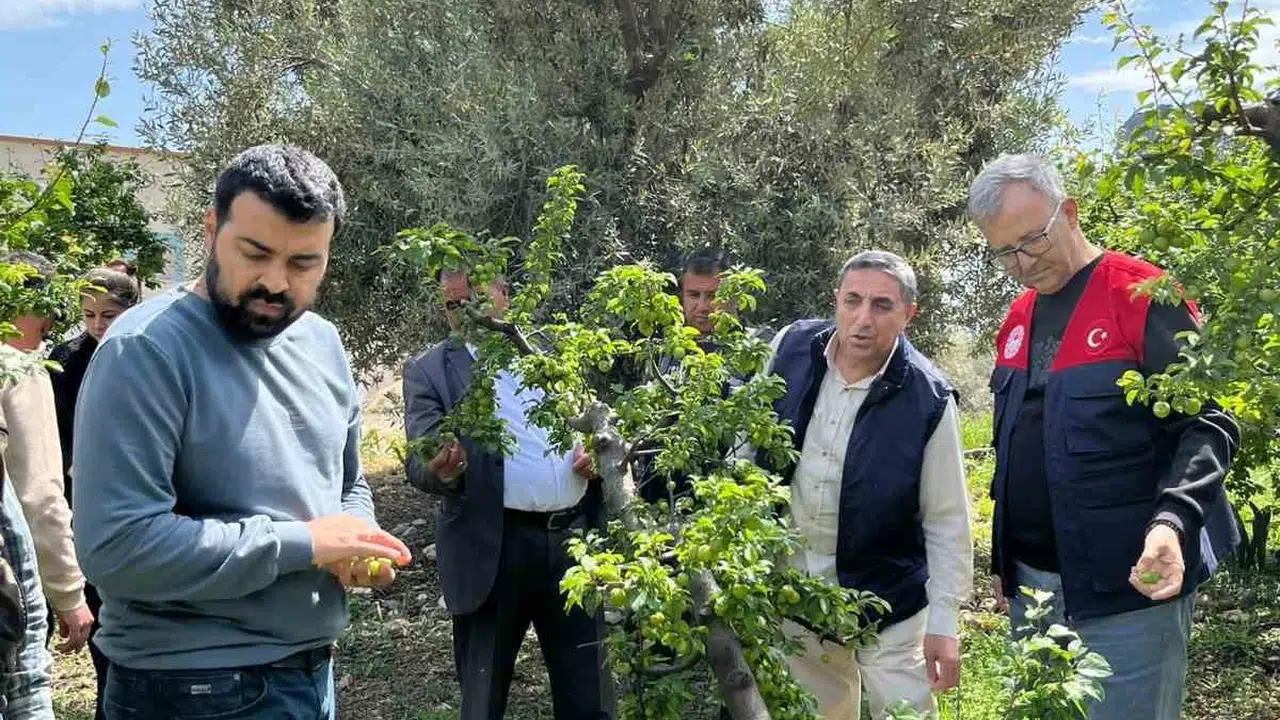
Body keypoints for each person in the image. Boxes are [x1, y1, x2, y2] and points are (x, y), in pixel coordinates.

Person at [72, 144, 411, 720]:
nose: (276, 283)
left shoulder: (323, 343)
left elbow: (347, 484)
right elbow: (116, 548)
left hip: (309, 672)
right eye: (255, 253)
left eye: (304, 264)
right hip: (190, 687)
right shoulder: (146, 349)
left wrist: (357, 539)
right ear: (211, 230)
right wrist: (307, 544)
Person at [969, 153, 1240, 720]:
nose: (1022, 263)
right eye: (1005, 252)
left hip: (1129, 586)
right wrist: (1005, 559)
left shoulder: (1145, 296)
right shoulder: (1018, 317)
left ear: (1068, 212)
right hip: (1035, 591)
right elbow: (1015, 445)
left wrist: (1172, 523)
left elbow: (1208, 423)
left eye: (1032, 241)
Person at [760, 250, 973, 719]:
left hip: (889, 601)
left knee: (905, 714)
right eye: (852, 301)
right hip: (797, 592)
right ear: (835, 299)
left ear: (908, 315)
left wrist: (944, 623)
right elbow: (747, 446)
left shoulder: (928, 398)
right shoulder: (791, 349)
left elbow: (946, 518)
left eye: (881, 305)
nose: (862, 319)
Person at [402, 269, 613, 720]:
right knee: (483, 703)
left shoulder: (552, 351)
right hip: (492, 551)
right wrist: (445, 468)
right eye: (453, 305)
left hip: (576, 545)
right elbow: (418, 460)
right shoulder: (430, 370)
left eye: (476, 299)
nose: (467, 313)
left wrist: (599, 453)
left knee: (590, 700)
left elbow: (600, 423)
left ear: (504, 295)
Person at [47, 265, 141, 720]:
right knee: (102, 626)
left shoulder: (147, 353)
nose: (98, 326)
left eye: (108, 314)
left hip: (140, 506)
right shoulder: (67, 360)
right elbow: (55, 438)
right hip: (80, 506)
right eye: (89, 315)